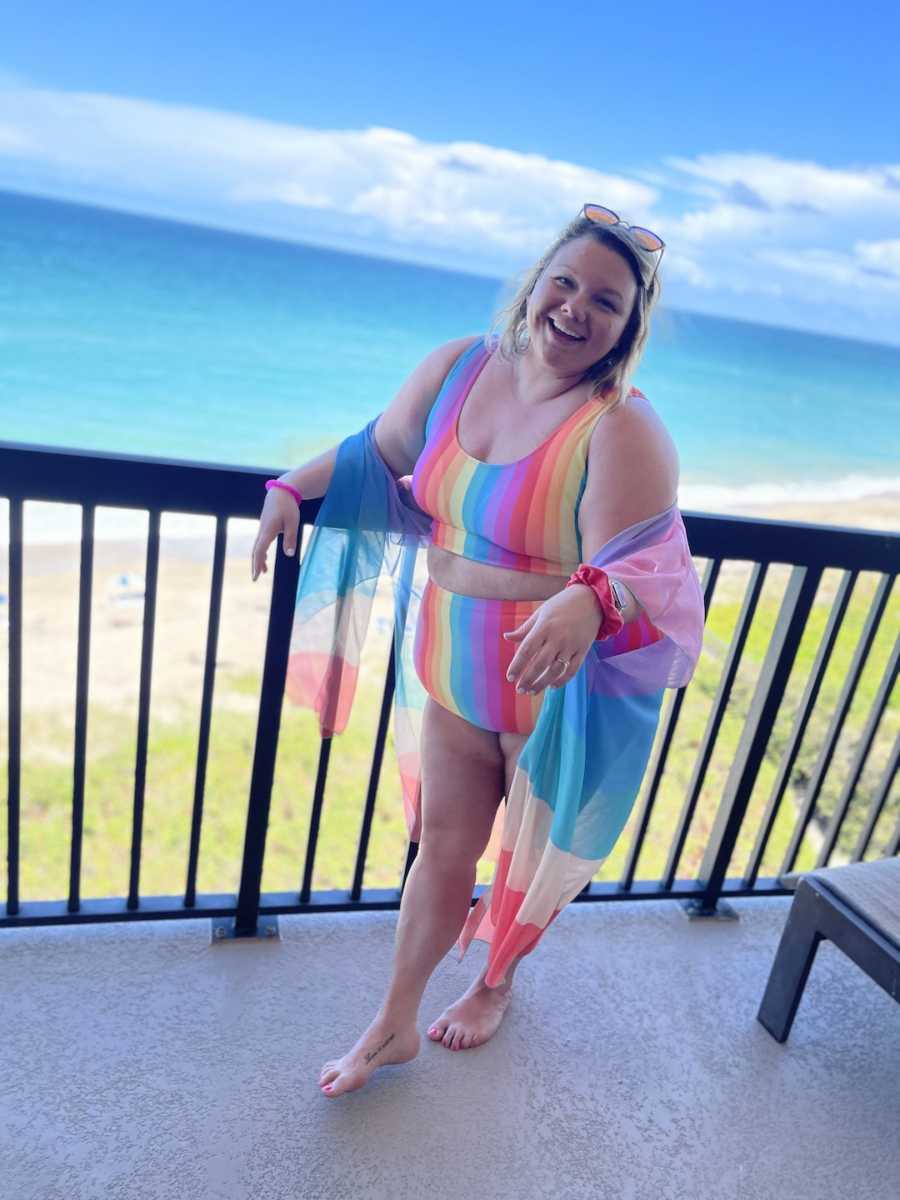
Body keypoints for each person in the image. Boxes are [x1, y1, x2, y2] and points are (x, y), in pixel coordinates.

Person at [250, 205, 705, 1099]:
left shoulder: (622, 428)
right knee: (443, 849)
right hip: (450, 661)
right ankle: (394, 1025)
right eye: (565, 283)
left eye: (606, 303)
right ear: (535, 284)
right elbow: (377, 454)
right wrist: (287, 489)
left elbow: (652, 571)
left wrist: (594, 595)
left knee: (523, 854)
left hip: (550, 685)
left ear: (627, 329)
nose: (576, 309)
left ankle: (495, 984)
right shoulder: (459, 367)